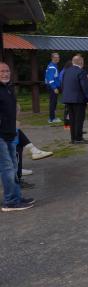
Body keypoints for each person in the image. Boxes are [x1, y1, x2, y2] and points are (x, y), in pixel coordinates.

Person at [0, 62, 35, 211]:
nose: (5, 73)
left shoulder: (8, 88)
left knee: (13, 167)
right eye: (2, 71)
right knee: (7, 168)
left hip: (10, 133)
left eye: (7, 71)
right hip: (0, 135)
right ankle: (10, 202)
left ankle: (17, 197)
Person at [61, 54, 88, 145]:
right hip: (78, 99)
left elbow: (63, 84)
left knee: (72, 119)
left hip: (68, 99)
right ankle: (78, 138)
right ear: (81, 62)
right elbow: (85, 86)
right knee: (79, 119)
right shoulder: (81, 72)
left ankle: (73, 138)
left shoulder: (66, 71)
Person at [44, 52, 62, 124]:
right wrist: (54, 88)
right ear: (52, 58)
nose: (57, 59)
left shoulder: (54, 66)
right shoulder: (52, 67)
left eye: (58, 57)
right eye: (55, 57)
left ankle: (52, 117)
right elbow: (50, 79)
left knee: (53, 102)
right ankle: (52, 119)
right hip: (52, 87)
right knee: (53, 103)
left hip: (52, 86)